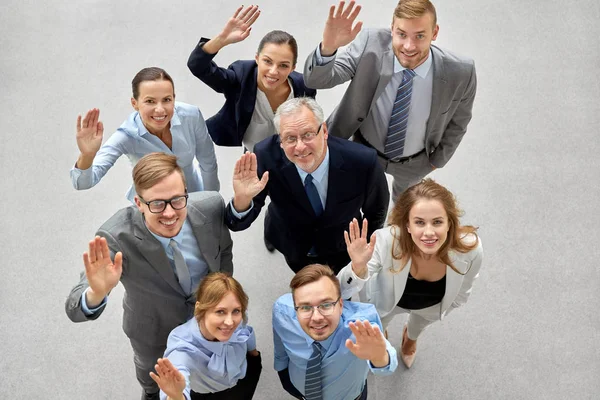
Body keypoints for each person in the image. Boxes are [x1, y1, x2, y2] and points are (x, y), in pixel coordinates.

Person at [65, 153, 233, 400]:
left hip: (207, 320)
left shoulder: (211, 206)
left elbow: (224, 252)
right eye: (156, 204)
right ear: (138, 203)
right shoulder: (116, 236)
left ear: (187, 192)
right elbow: (73, 308)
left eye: (177, 200)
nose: (169, 213)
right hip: (153, 330)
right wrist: (95, 293)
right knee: (152, 378)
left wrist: (223, 298)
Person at [304, 0, 477, 200]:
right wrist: (328, 48)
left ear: (435, 33)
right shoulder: (371, 44)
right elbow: (318, 79)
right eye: (402, 34)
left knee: (404, 215)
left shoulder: (461, 72)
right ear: (392, 29)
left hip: (415, 163)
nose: (409, 46)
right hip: (361, 148)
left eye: (420, 36)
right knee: (348, 202)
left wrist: (436, 161)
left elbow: (459, 121)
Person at [224, 97, 389, 274]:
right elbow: (236, 224)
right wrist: (242, 199)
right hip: (292, 243)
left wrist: (363, 246)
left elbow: (377, 210)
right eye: (290, 138)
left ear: (324, 131)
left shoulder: (363, 161)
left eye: (308, 135)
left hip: (343, 247)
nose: (300, 147)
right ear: (280, 141)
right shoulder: (265, 155)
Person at [338, 179, 483, 368]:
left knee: (418, 327)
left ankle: (410, 339)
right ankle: (384, 335)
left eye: (437, 222)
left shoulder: (470, 249)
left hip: (431, 307)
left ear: (449, 223)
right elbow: (340, 289)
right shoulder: (386, 240)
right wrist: (357, 267)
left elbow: (464, 288)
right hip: (387, 301)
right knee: (380, 328)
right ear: (407, 225)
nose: (428, 232)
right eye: (419, 222)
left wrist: (451, 305)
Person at [71, 67, 219, 202]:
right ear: (134, 103)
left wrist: (211, 201)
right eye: (150, 101)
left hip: (193, 197)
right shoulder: (126, 135)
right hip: (151, 210)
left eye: (167, 100)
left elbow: (208, 162)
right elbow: (83, 183)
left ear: (174, 98)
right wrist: (87, 155)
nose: (160, 109)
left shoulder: (191, 116)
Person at [187, 5, 317, 152]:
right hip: (253, 161)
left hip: (295, 160)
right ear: (257, 58)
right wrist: (221, 40)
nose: (273, 71)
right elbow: (197, 66)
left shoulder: (304, 87)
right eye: (267, 61)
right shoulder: (241, 77)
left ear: (293, 67)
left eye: (283, 65)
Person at [273, 264, 398, 399]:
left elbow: (388, 362)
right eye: (305, 307)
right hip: (300, 389)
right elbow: (281, 346)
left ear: (340, 305)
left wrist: (379, 357)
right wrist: (283, 374)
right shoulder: (282, 311)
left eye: (326, 305)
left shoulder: (359, 326)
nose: (316, 317)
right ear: (295, 308)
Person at [150, 273, 261, 400]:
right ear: (199, 308)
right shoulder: (182, 346)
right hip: (210, 395)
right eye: (220, 312)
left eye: (236, 311)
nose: (230, 322)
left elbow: (245, 331)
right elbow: (178, 370)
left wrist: (254, 356)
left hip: (244, 376)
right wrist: (175, 396)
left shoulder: (236, 319)